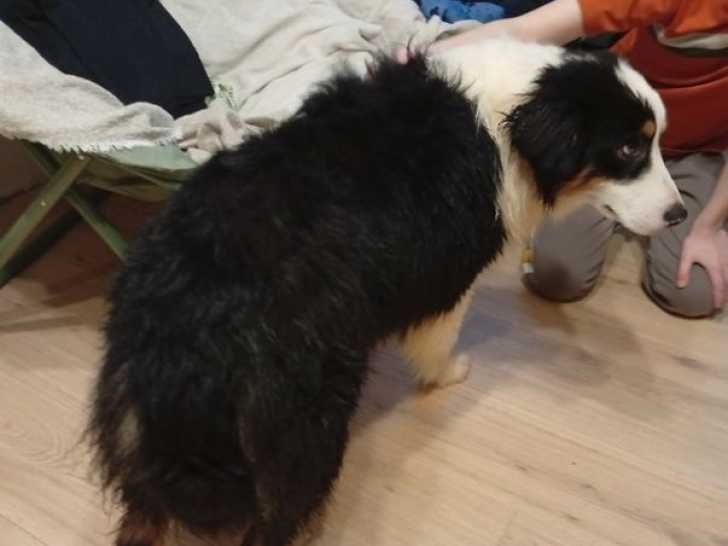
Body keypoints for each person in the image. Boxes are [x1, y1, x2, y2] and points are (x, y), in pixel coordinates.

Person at [400, 0, 728, 318]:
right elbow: (526, 29)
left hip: (695, 150)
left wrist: (709, 227)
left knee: (691, 295)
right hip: (610, 143)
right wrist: (427, 60)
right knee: (556, 276)